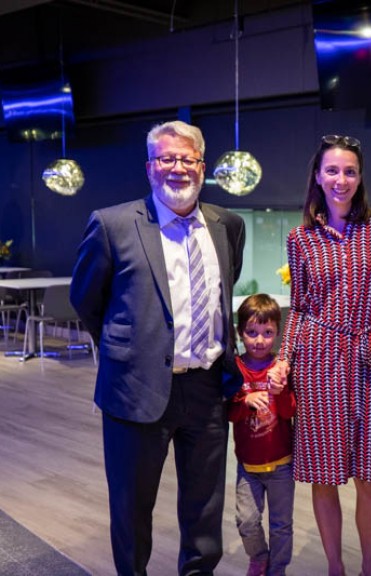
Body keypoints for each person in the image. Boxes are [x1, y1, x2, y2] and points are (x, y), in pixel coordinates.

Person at [70, 120, 246, 576]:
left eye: (187, 159)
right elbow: (87, 301)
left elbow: (225, 293)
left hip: (207, 390)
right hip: (135, 391)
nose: (177, 168)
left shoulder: (228, 225)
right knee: (131, 511)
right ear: (150, 168)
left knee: (205, 510)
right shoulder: (112, 225)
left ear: (202, 167)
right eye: (166, 159)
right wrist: (129, 349)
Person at [269, 134, 371, 576]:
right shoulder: (301, 238)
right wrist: (283, 358)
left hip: (367, 357)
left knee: (368, 473)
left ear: (360, 178)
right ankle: (336, 567)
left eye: (350, 171)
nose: (341, 179)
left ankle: (369, 569)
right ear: (317, 176)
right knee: (324, 474)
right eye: (332, 170)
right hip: (316, 361)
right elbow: (299, 306)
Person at [229, 294, 296, 576]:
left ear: (277, 334)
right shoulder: (235, 368)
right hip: (248, 466)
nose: (259, 340)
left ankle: (277, 569)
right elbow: (228, 412)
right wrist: (245, 401)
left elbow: (289, 410)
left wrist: (278, 393)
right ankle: (258, 556)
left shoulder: (280, 370)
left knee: (281, 525)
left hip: (281, 463)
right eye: (252, 333)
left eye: (268, 333)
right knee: (247, 521)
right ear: (240, 332)